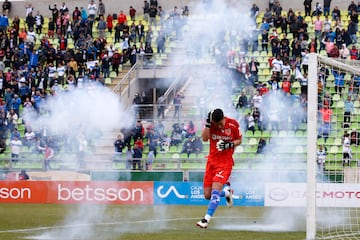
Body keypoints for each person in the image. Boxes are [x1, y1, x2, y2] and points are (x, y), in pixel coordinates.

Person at [196, 108, 242, 229]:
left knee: (215, 191)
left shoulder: (233, 124)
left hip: (225, 163)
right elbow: (205, 139)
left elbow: (239, 140)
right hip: (211, 163)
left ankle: (206, 219)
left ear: (224, 118)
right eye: (217, 124)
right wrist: (207, 123)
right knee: (207, 195)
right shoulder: (211, 125)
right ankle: (226, 193)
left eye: (221, 123)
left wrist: (229, 144)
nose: (219, 126)